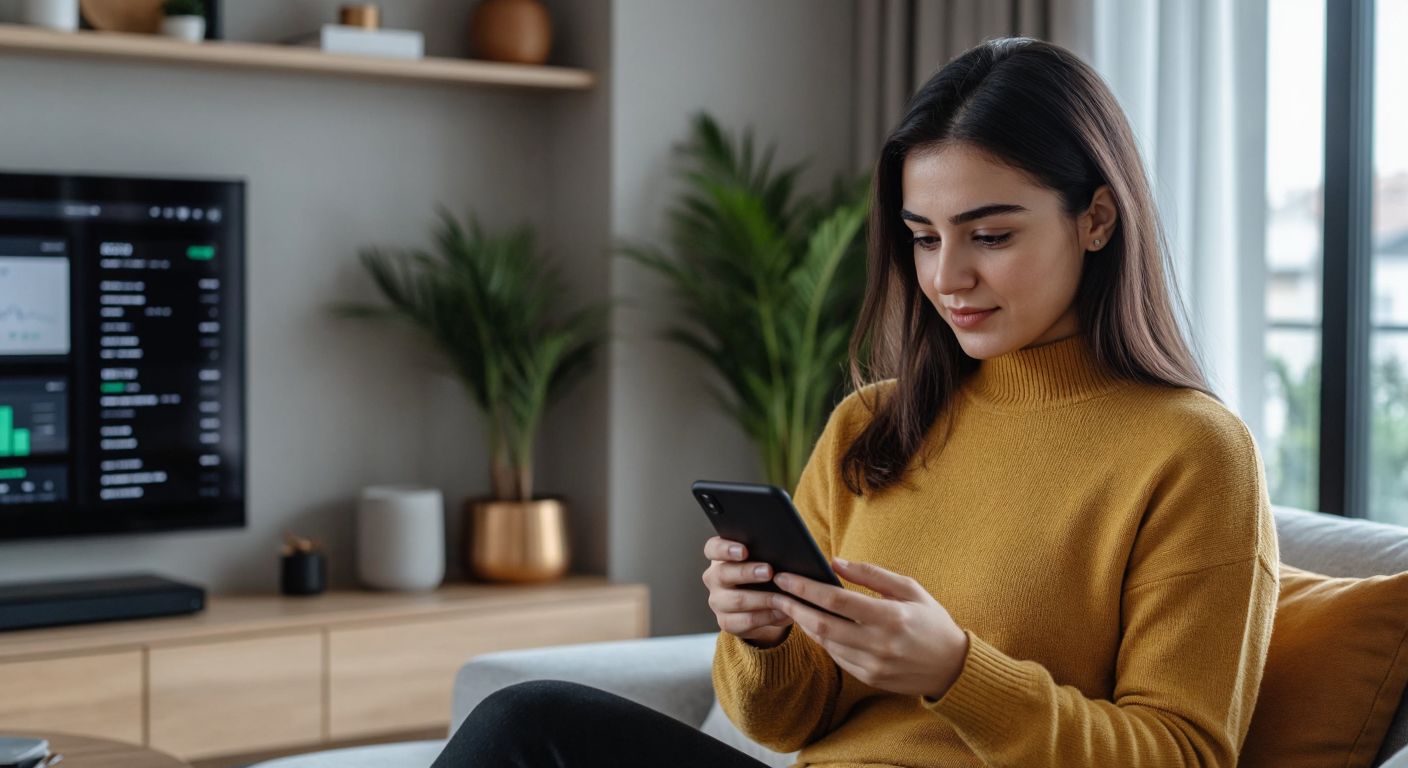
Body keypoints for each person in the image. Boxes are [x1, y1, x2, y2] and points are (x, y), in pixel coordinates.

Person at [430, 36, 1278, 768]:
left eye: (991, 235)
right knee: (527, 724)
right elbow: (784, 722)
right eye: (923, 237)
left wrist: (958, 674)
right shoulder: (872, 425)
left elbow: (1184, 753)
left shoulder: (1192, 451)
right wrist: (761, 634)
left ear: (1096, 219)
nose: (948, 277)